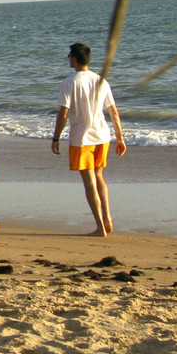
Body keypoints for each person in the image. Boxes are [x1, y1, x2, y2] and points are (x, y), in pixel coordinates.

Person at [52, 42, 127, 237]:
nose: (68, 59)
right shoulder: (101, 80)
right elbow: (114, 112)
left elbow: (63, 113)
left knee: (89, 181)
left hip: (81, 138)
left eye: (69, 56)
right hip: (102, 136)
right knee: (99, 176)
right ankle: (107, 217)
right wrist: (120, 137)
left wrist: (56, 137)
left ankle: (100, 226)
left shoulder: (69, 82)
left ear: (74, 59)